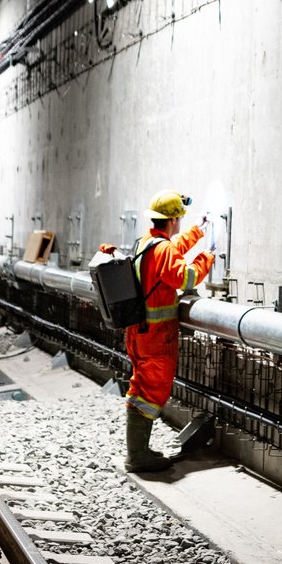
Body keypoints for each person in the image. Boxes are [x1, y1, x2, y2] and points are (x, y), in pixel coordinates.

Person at [110, 190, 215, 472]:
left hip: (139, 333)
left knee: (140, 388)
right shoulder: (163, 249)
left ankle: (138, 450)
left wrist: (197, 232)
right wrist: (207, 257)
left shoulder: (148, 243)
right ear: (173, 220)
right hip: (157, 337)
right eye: (180, 218)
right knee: (151, 392)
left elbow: (172, 250)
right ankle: (138, 456)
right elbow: (184, 276)